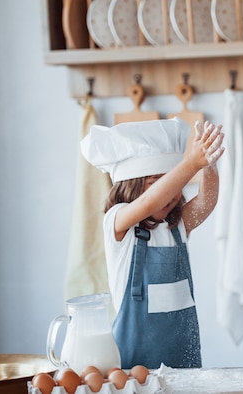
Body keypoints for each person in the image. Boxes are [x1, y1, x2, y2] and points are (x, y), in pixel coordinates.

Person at [81, 117, 224, 369]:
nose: (169, 193)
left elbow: (206, 202)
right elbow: (148, 203)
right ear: (131, 186)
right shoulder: (120, 223)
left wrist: (207, 166)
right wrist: (190, 163)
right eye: (154, 183)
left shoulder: (175, 226)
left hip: (183, 364)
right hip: (134, 368)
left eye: (172, 182)